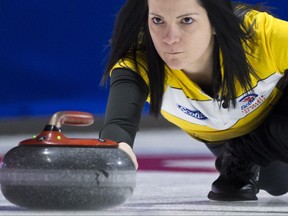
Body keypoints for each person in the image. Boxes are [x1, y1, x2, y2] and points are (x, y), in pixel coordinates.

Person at [99, 0, 288, 201]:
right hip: (224, 137)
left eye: (186, 20)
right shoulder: (137, 61)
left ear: (215, 21)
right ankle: (242, 156)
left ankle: (250, 152)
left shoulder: (260, 34)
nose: (170, 38)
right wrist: (115, 152)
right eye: (157, 20)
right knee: (278, 183)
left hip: (279, 109)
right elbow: (118, 126)